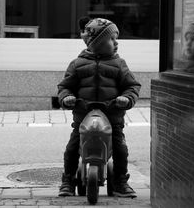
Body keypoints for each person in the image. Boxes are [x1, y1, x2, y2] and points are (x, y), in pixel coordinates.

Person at [57, 18, 141, 197]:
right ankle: (68, 180)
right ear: (97, 43)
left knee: (120, 148)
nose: (116, 43)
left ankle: (120, 181)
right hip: (83, 116)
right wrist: (67, 98)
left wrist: (126, 99)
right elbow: (65, 87)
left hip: (112, 116)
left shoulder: (119, 64)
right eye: (112, 39)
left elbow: (132, 86)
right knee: (72, 147)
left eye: (116, 38)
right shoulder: (77, 64)